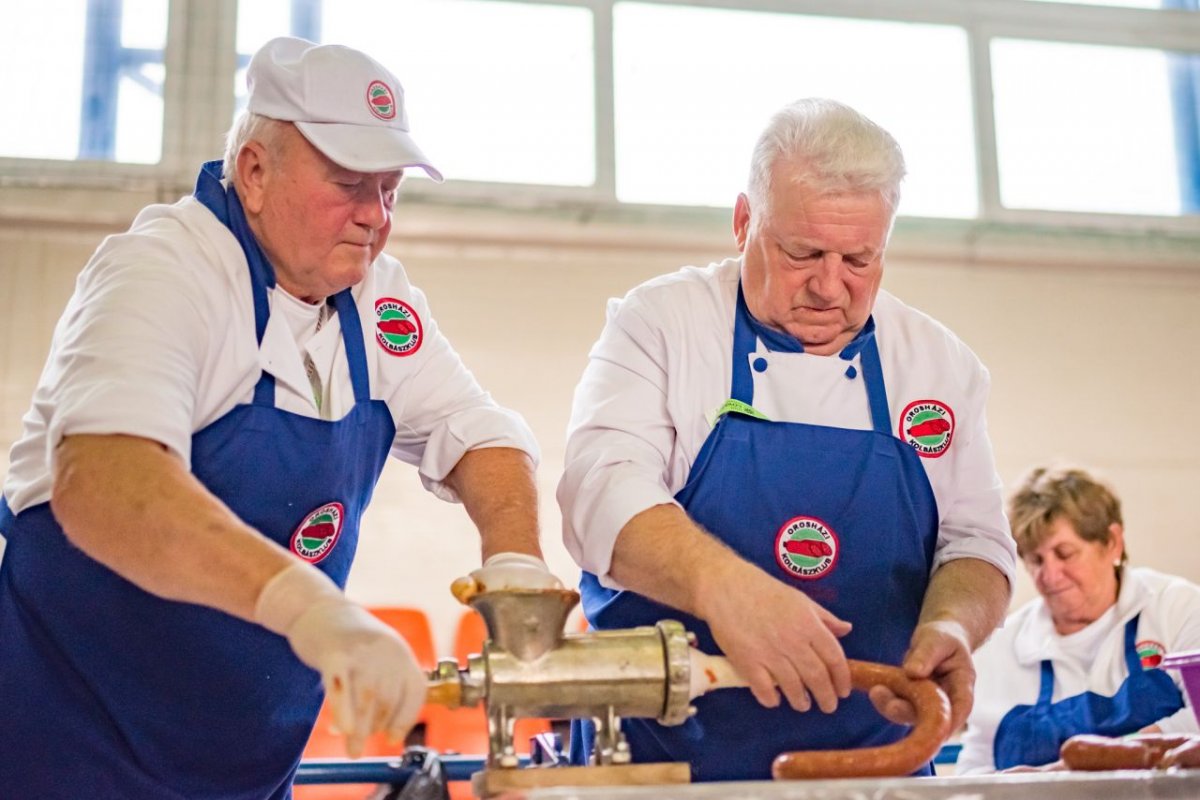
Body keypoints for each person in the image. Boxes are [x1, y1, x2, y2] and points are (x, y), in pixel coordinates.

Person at [0, 37, 560, 799]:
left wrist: (517, 571)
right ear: (255, 172)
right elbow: (106, 482)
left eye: (390, 190)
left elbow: (483, 434)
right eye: (349, 183)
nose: (375, 216)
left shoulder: (377, 303)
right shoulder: (163, 270)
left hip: (248, 776)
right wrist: (309, 608)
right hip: (73, 762)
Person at [557, 98, 1017, 781]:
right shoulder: (662, 324)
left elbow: (977, 544)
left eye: (860, 259)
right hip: (663, 773)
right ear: (744, 223)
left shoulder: (938, 366)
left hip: (874, 772)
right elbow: (598, 494)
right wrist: (727, 590)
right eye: (803, 253)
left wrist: (950, 628)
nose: (831, 287)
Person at [956, 466, 1200, 774]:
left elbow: (1197, 724)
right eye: (1035, 559)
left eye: (1065, 553)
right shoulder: (1001, 647)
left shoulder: (1178, 609)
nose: (1050, 575)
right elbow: (977, 765)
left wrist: (1072, 770)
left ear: (1112, 542)